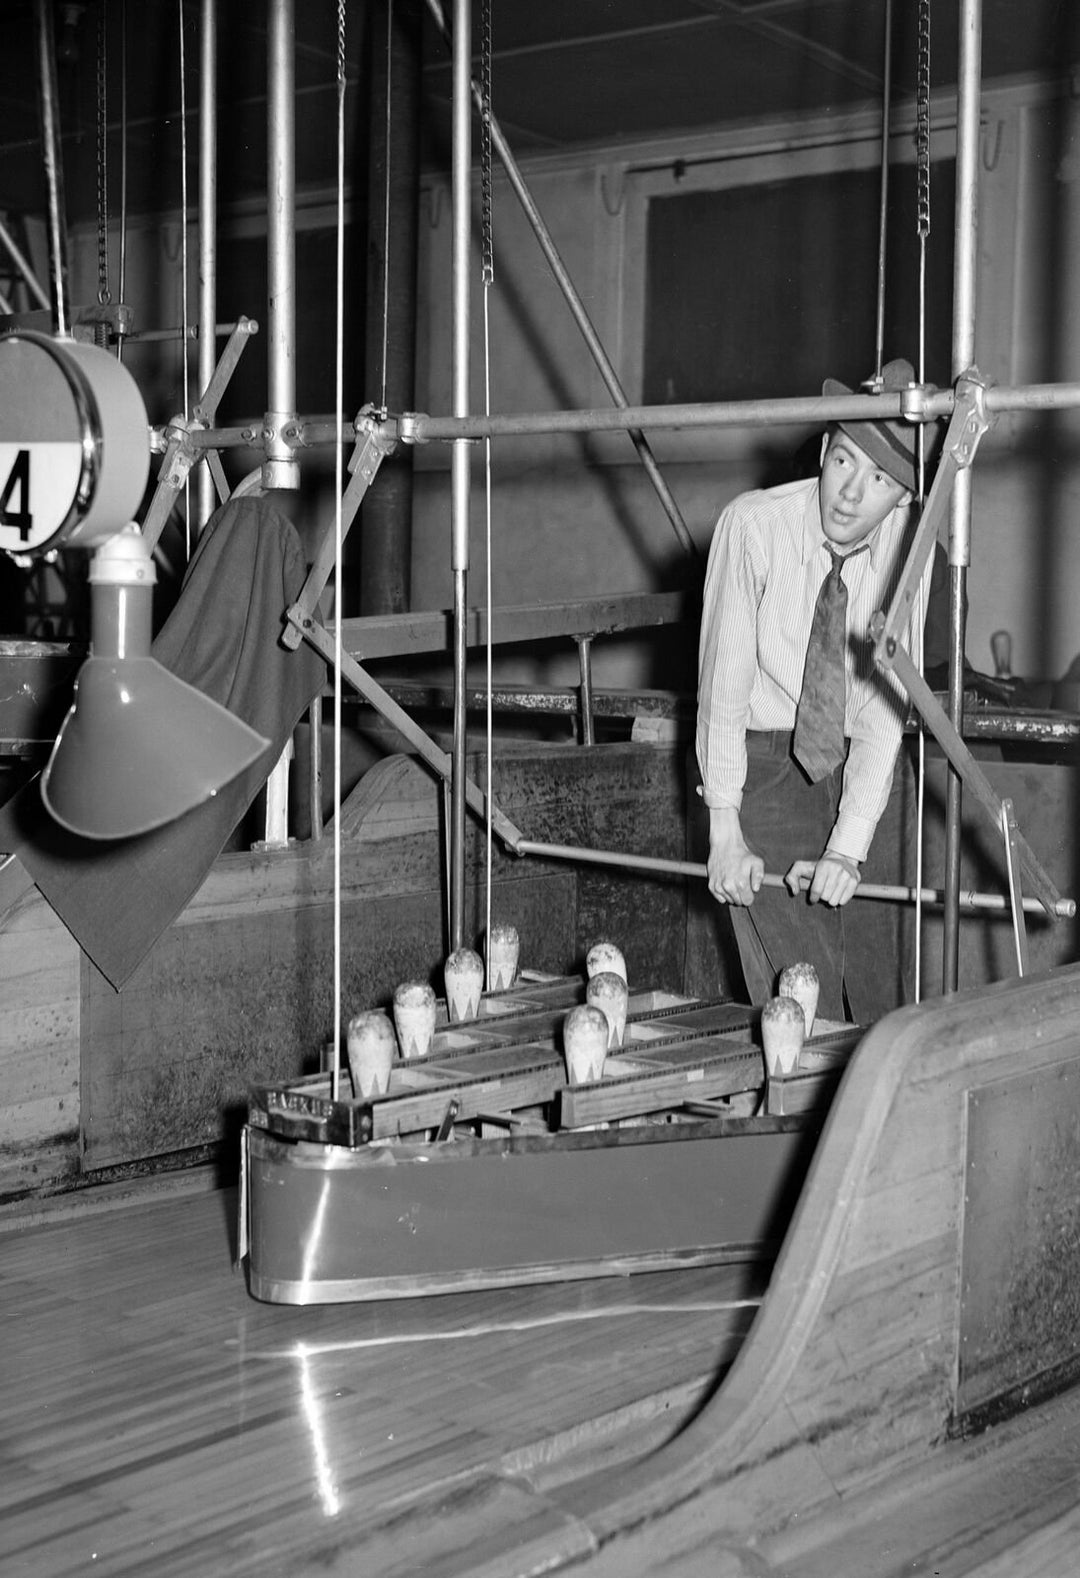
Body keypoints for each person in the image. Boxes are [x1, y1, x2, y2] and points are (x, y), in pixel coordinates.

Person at [694, 358, 942, 1025]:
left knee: (887, 1002)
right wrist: (725, 829)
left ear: (906, 496)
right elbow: (723, 688)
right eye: (843, 462)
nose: (852, 495)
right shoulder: (752, 527)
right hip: (765, 764)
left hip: (863, 766)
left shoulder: (910, 550)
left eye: (882, 480)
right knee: (800, 998)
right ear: (826, 451)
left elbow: (887, 714)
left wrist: (847, 846)